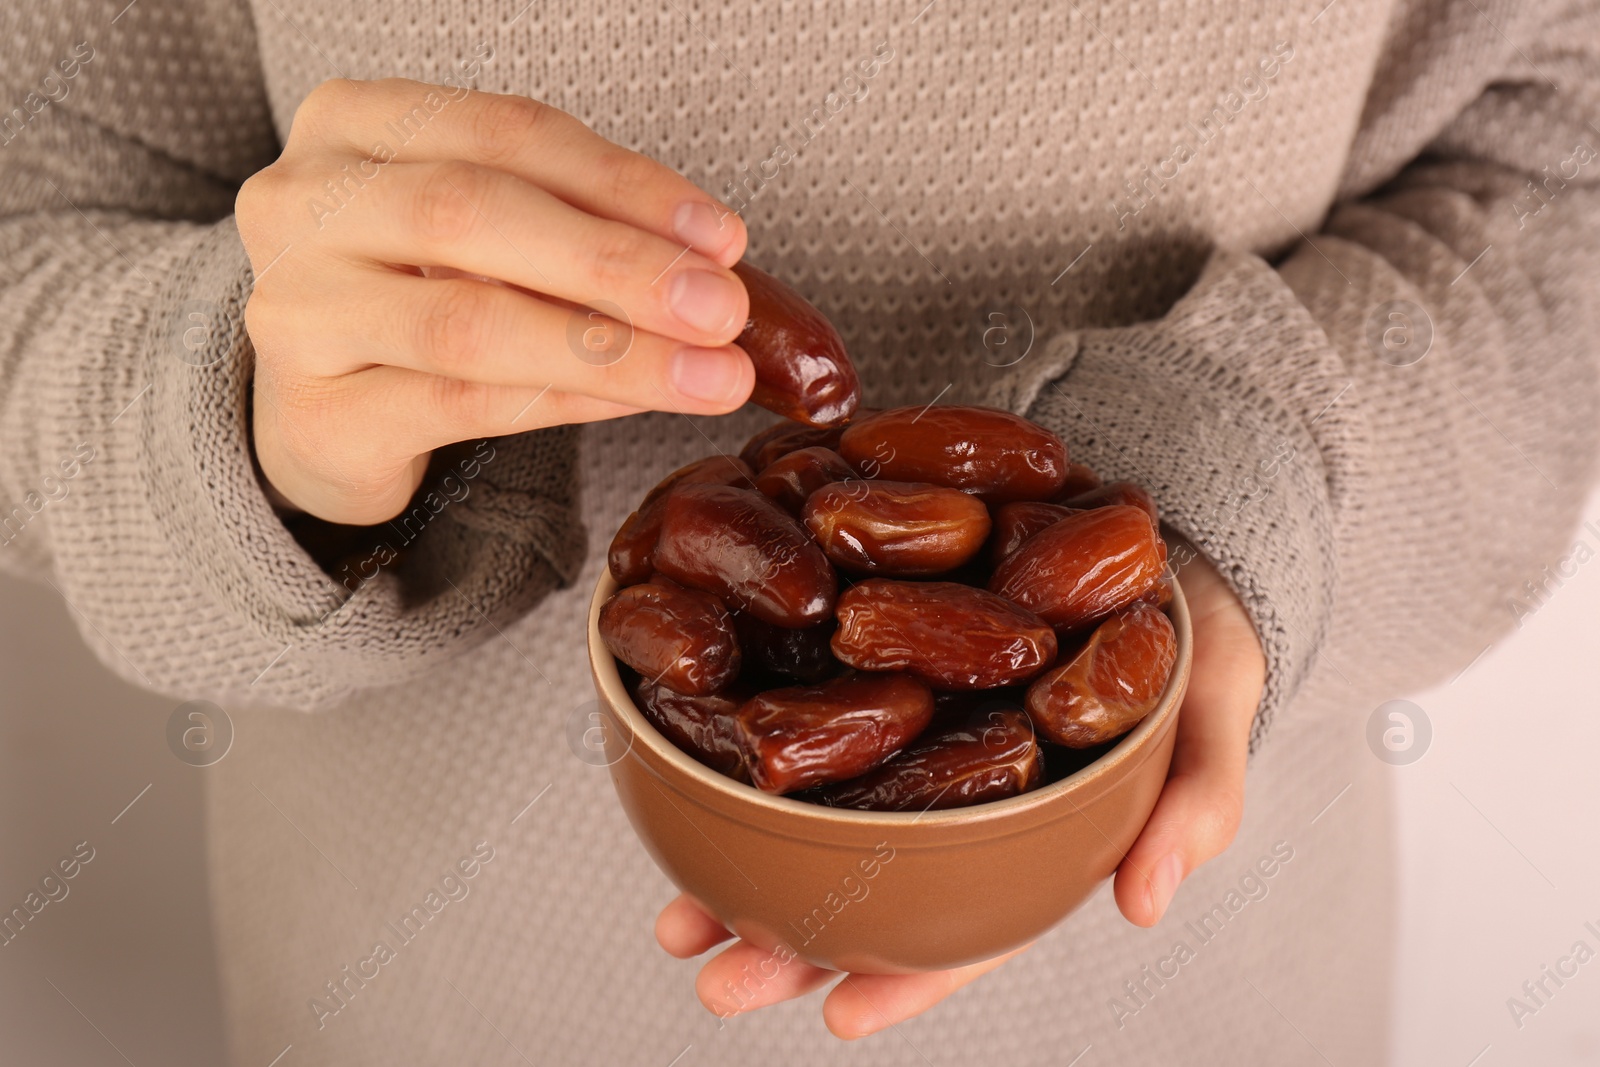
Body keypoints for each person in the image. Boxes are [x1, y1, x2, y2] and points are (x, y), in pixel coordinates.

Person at [0, 0, 1594, 1063]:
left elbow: (1558, 160)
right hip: (427, 1002)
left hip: (1198, 1004)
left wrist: (1241, 483)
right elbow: (31, 212)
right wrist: (236, 416)